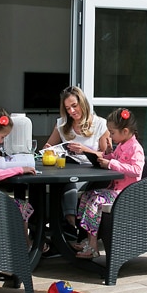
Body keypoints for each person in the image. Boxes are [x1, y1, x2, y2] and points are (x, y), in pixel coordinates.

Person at [72, 108, 144, 259]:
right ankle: (88, 239)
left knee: (95, 200)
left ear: (125, 131)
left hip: (125, 194)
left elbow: (136, 170)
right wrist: (108, 154)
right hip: (115, 191)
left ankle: (93, 247)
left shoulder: (135, 148)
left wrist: (111, 164)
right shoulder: (122, 145)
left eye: (112, 133)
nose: (110, 136)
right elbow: (114, 158)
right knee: (86, 196)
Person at [43, 86, 110, 227]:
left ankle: (70, 225)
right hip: (66, 170)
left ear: (83, 103)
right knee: (60, 183)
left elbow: (107, 156)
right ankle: (63, 227)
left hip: (90, 173)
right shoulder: (62, 124)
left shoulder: (100, 124)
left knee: (70, 184)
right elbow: (47, 147)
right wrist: (49, 150)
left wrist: (85, 150)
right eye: (68, 108)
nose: (71, 111)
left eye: (74, 106)